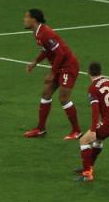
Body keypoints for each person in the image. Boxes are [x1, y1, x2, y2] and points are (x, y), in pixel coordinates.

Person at [23, 9, 82, 140]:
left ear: (34, 19)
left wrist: (52, 72)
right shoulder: (38, 33)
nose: (24, 20)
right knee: (46, 94)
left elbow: (60, 53)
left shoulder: (45, 33)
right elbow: (46, 50)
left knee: (63, 98)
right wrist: (35, 62)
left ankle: (77, 131)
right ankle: (40, 129)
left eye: (26, 17)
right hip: (59, 65)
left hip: (68, 66)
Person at [75, 62, 109, 182]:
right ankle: (88, 167)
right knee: (99, 139)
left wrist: (93, 129)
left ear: (88, 72)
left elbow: (95, 110)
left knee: (84, 140)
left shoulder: (93, 88)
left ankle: (87, 174)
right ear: (101, 71)